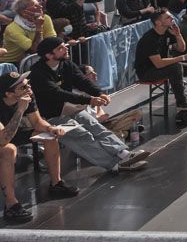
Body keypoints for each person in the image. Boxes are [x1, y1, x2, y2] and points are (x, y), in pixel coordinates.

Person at [0, 70, 76, 223]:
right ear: (9, 93)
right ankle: (11, 204)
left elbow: (37, 122)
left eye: (28, 84)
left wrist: (51, 128)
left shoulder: (26, 96)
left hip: (3, 133)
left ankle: (56, 184)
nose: (29, 88)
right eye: (23, 87)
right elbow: (3, 140)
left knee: (49, 136)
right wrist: (20, 109)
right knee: (9, 150)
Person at [28, 37, 149, 173]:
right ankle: (113, 165)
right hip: (49, 116)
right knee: (81, 136)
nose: (66, 48)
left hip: (68, 108)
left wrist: (99, 93)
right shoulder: (38, 73)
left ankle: (124, 154)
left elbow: (82, 81)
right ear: (49, 55)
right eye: (60, 48)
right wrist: (89, 100)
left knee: (95, 126)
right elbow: (58, 93)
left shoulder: (66, 64)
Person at [133, 9, 187, 117]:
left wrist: (178, 35)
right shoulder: (149, 39)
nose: (172, 18)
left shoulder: (168, 32)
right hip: (148, 72)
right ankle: (182, 102)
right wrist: (183, 58)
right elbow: (158, 63)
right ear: (158, 22)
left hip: (163, 67)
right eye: (168, 17)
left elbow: (182, 48)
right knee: (175, 67)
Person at [1, 0, 55, 65]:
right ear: (24, 12)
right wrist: (39, 28)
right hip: (12, 62)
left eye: (40, 5)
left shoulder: (46, 18)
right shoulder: (12, 28)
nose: (41, 7)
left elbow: (52, 41)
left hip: (32, 58)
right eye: (36, 6)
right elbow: (35, 49)